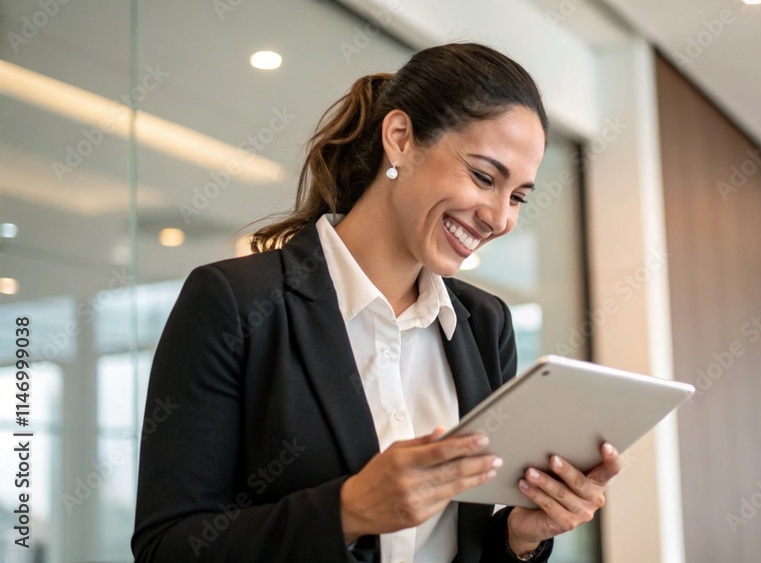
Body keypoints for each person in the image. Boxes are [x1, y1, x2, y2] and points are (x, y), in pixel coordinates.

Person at [131, 42, 622, 563]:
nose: (500, 218)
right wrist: (347, 511)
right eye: (483, 177)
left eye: (519, 196)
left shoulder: (484, 325)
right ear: (401, 139)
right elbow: (167, 547)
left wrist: (521, 537)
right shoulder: (235, 303)